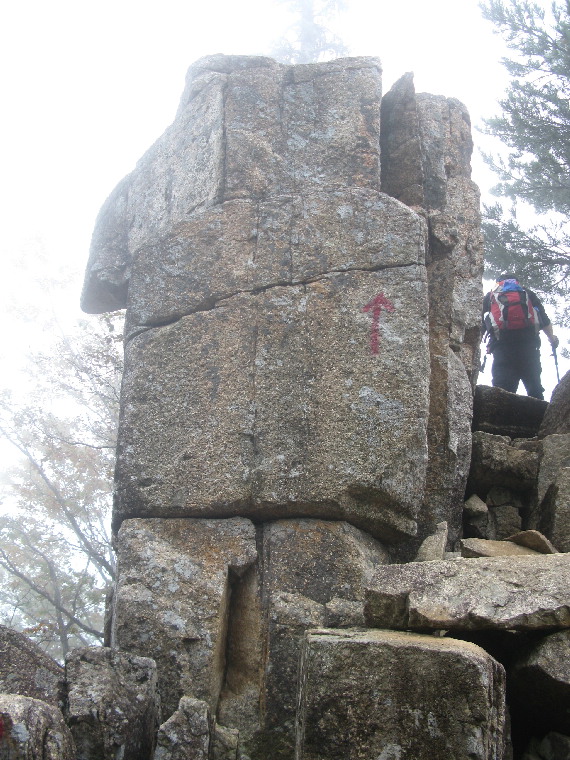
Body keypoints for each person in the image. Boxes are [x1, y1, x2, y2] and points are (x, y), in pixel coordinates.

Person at [482, 273, 559, 400]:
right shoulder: (527, 293)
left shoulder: (490, 296)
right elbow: (544, 320)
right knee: (534, 387)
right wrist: (552, 339)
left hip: (501, 348)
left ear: (498, 283)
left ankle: (498, 418)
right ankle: (540, 416)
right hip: (529, 347)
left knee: (501, 389)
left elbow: (480, 324)